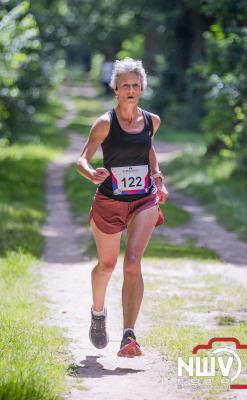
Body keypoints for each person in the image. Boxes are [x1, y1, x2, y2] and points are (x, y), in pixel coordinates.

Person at [76, 57, 168, 358]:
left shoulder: (151, 121)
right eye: (125, 85)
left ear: (142, 88)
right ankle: (99, 313)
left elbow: (148, 150)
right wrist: (91, 173)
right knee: (107, 265)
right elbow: (82, 158)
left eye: (136, 85)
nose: (131, 90)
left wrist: (157, 178)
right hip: (109, 201)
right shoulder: (105, 123)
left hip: (143, 199)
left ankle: (129, 335)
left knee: (131, 264)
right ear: (115, 89)